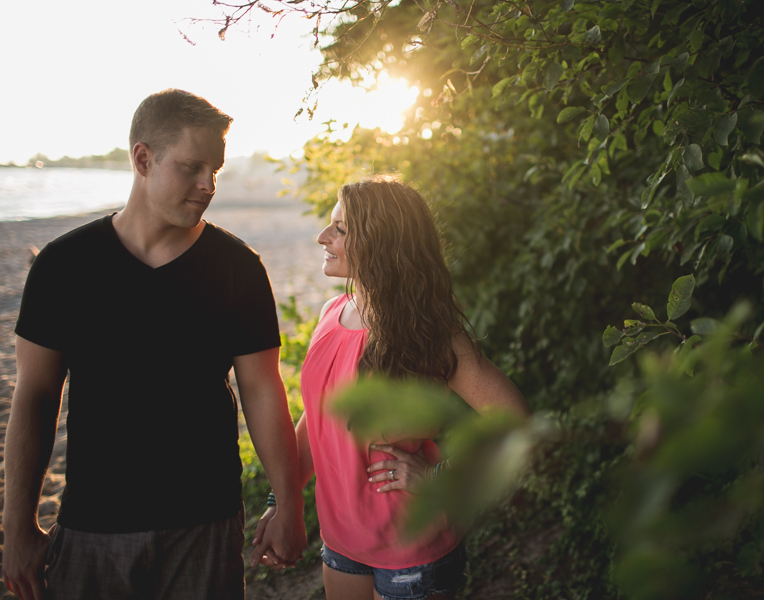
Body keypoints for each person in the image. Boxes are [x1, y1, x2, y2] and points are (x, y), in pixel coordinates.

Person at [2, 89, 306, 600]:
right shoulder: (63, 266)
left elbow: (262, 389)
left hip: (206, 523)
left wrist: (290, 504)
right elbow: (34, 396)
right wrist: (18, 525)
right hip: (93, 524)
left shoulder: (239, 268)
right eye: (192, 167)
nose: (208, 184)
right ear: (142, 159)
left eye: (216, 170)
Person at [252, 175, 531, 600]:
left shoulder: (430, 333)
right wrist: (281, 500)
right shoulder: (332, 312)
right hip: (341, 542)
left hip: (412, 550)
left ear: (381, 243)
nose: (322, 236)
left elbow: (512, 420)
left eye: (341, 229)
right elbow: (317, 417)